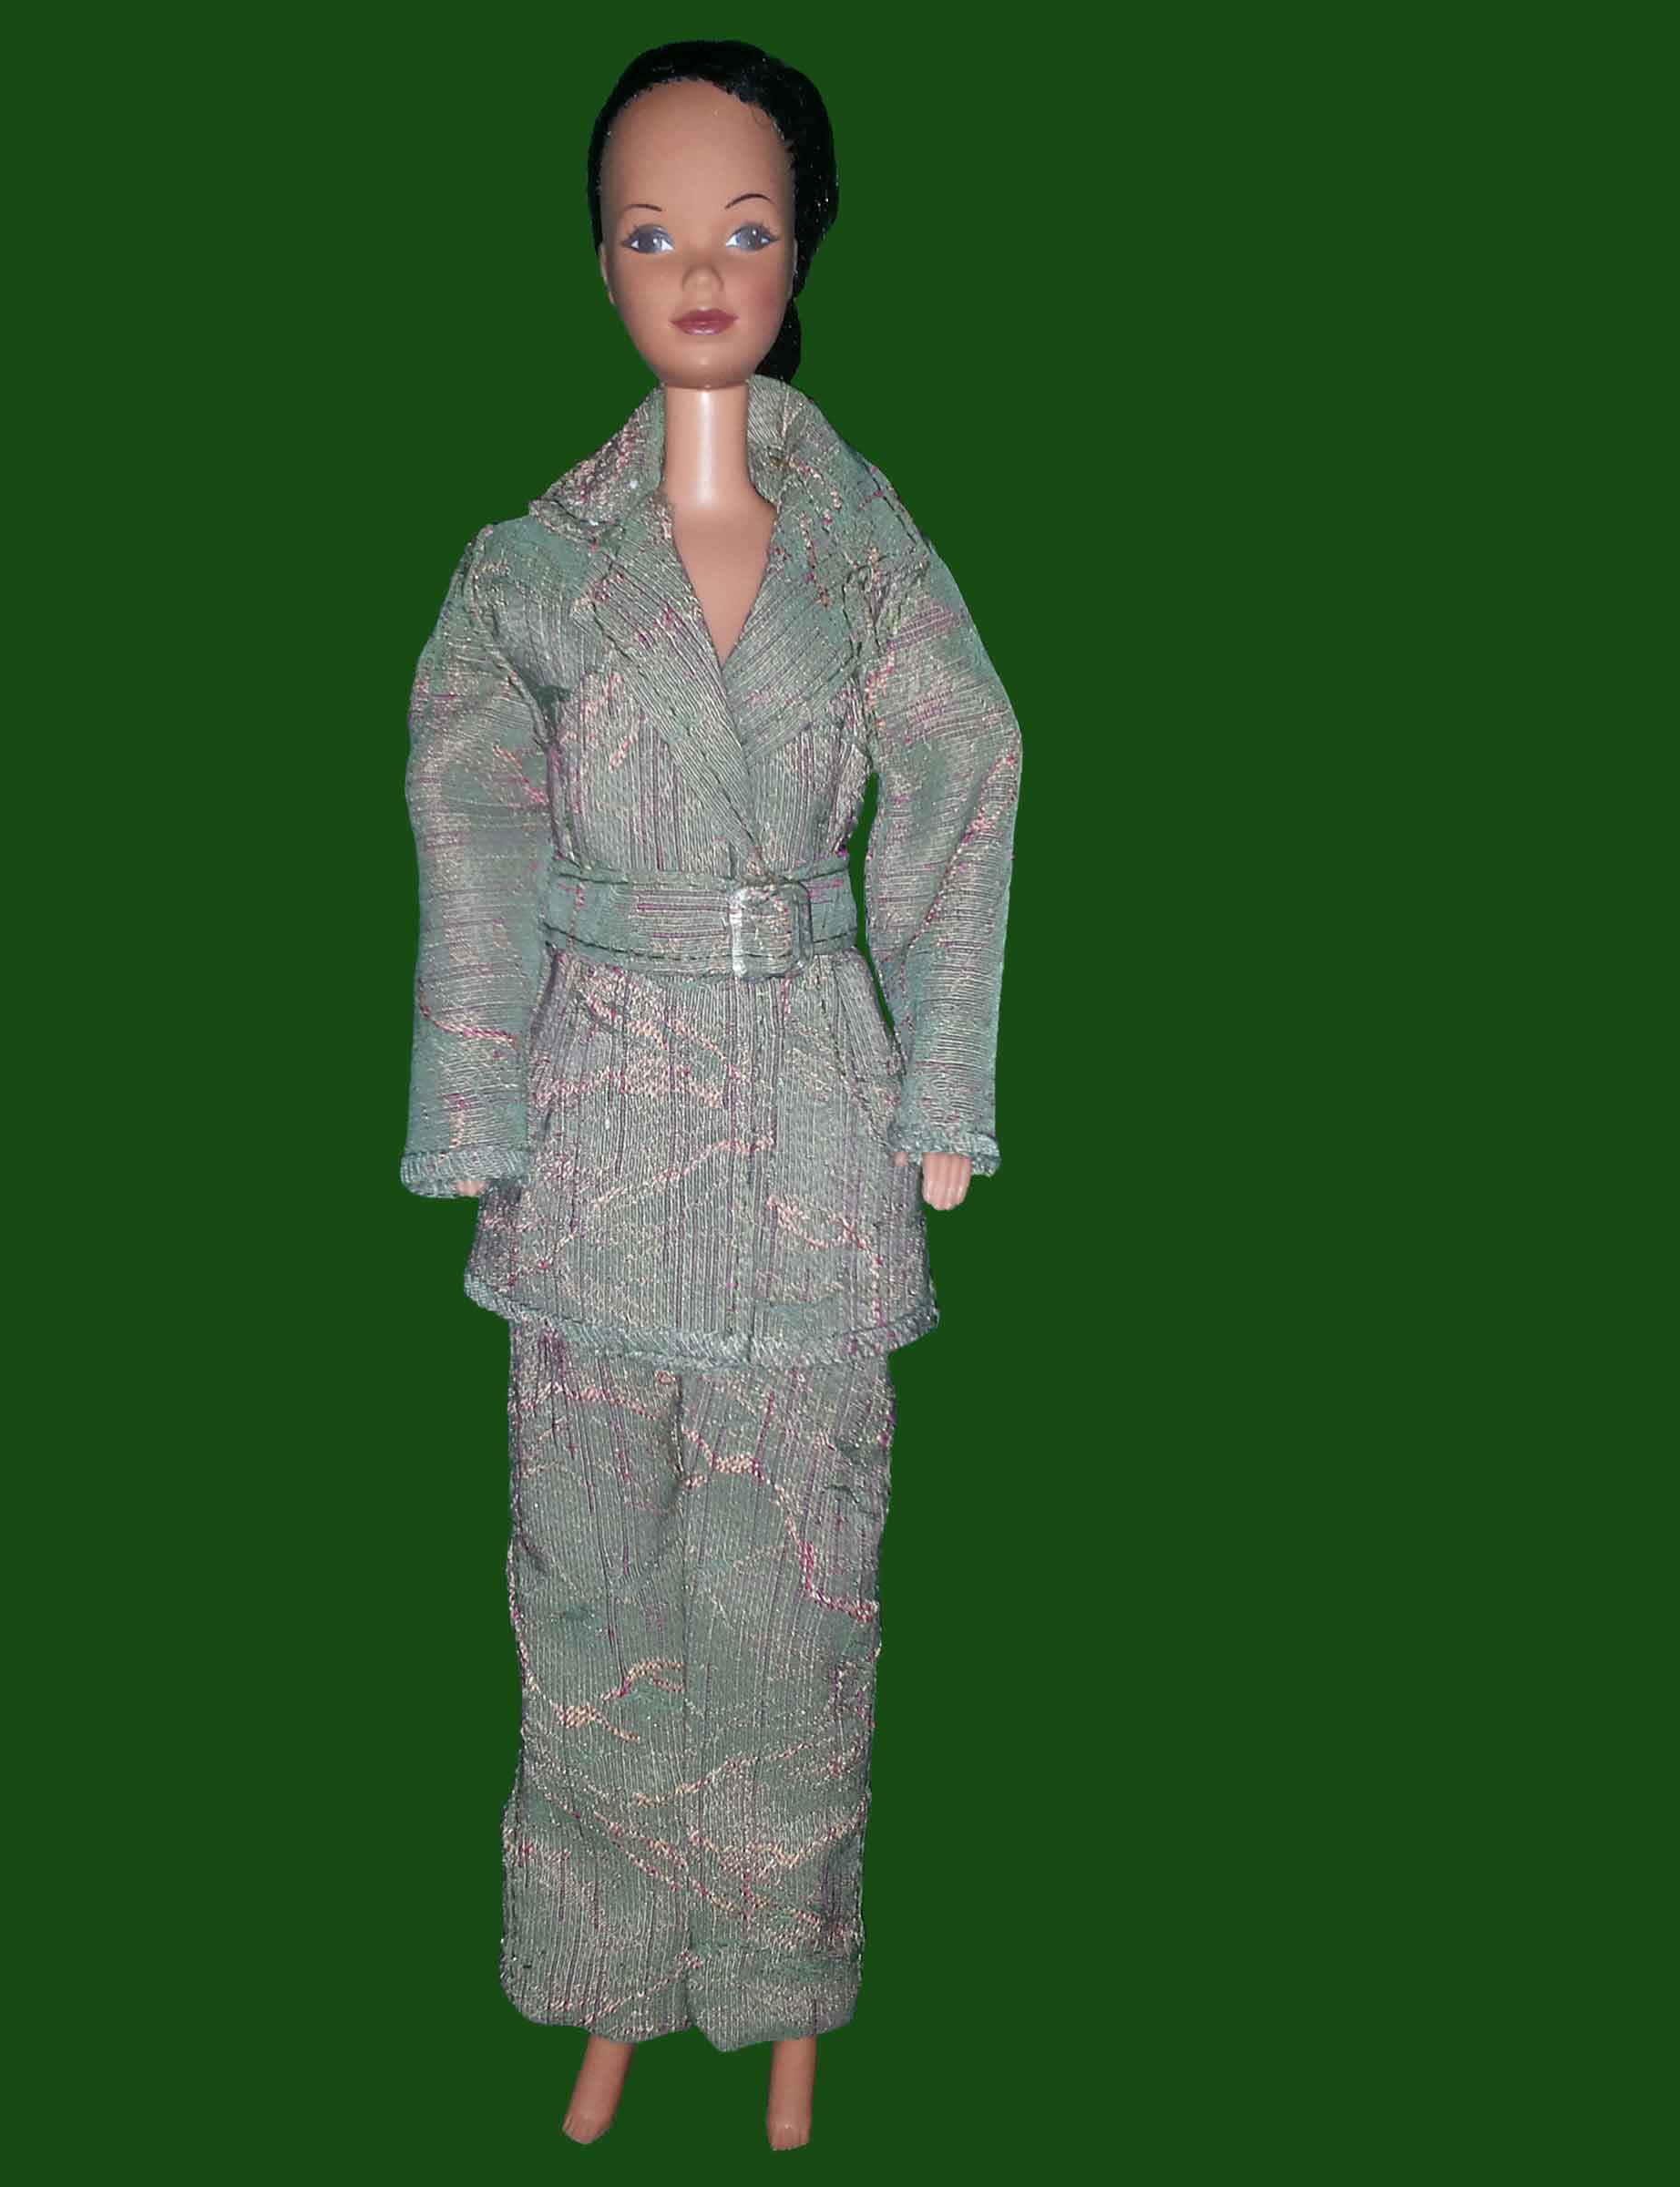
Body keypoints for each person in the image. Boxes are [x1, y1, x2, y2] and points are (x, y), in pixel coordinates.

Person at [400, 39, 1023, 2149]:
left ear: (800, 252)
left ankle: (777, 1975)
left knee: (799, 1565)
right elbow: (470, 816)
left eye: (743, 228)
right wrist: (473, 1098)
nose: (698, 269)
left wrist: (942, 1084)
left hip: (813, 1115)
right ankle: (603, 1967)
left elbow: (966, 764)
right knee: (590, 1567)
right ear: (598, 261)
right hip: (596, 1114)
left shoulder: (868, 554)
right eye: (653, 229)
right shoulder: (530, 570)